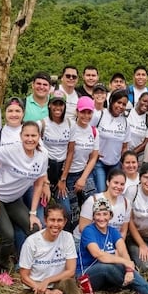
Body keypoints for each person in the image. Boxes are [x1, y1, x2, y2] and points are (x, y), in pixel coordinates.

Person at [18, 204, 106, 294]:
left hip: (58, 285)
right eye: (52, 220)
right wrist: (46, 290)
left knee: (69, 282)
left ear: (64, 222)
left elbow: (70, 271)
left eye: (59, 220)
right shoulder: (32, 242)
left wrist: (48, 280)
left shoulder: (67, 237)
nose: (55, 224)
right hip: (34, 290)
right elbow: (24, 276)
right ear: (45, 220)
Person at [0, 120, 49, 285]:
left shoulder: (43, 155)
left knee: (34, 228)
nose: (30, 139)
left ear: (39, 137)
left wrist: (33, 213)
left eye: (33, 136)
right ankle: (1, 270)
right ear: (21, 136)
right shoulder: (11, 150)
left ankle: (28, 264)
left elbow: (39, 184)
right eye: (26, 135)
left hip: (14, 199)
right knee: (8, 234)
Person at [78, 197, 148, 294]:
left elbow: (124, 252)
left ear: (110, 216)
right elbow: (98, 255)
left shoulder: (113, 231)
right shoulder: (88, 231)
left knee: (120, 266)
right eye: (98, 214)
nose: (101, 218)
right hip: (87, 275)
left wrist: (129, 270)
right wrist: (125, 262)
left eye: (105, 214)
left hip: (106, 276)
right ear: (93, 217)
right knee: (108, 266)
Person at [58, 96, 99, 232]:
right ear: (77, 111)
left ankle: (91, 235)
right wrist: (62, 179)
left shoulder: (94, 131)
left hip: (83, 173)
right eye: (83, 112)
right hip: (65, 175)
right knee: (70, 212)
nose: (86, 116)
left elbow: (93, 157)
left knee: (95, 205)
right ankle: (71, 237)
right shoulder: (70, 127)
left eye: (89, 112)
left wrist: (83, 179)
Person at [77, 169, 131, 242]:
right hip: (87, 241)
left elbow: (123, 231)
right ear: (108, 182)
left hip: (110, 243)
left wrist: (119, 246)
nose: (118, 187)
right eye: (116, 183)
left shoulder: (126, 203)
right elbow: (83, 228)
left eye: (122, 184)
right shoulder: (93, 200)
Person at [41, 95, 72, 217]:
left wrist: (63, 179)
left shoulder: (70, 124)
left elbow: (71, 151)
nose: (58, 107)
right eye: (55, 104)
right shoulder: (42, 123)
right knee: (43, 209)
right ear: (49, 105)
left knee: (66, 211)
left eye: (61, 104)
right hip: (46, 168)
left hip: (61, 170)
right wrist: (45, 182)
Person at [94, 89, 130, 192]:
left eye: (124, 104)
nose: (121, 106)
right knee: (101, 191)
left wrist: (124, 164)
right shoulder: (99, 115)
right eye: (118, 102)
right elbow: (88, 135)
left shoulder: (125, 122)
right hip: (99, 162)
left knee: (114, 191)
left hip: (115, 163)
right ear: (112, 101)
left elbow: (124, 147)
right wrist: (93, 153)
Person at [127, 92, 148, 162]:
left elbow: (146, 142)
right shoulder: (126, 113)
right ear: (139, 100)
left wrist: (131, 154)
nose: (146, 104)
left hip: (138, 155)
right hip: (120, 152)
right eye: (144, 101)